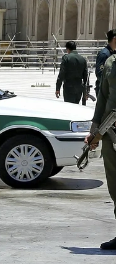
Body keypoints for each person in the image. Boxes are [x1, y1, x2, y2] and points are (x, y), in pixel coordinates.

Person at [86, 52, 116, 250]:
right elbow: (103, 97)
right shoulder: (111, 63)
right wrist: (95, 130)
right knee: (115, 185)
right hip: (111, 131)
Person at [95, 29, 116, 95]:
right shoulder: (104, 54)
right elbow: (99, 74)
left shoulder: (113, 53)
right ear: (114, 39)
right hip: (105, 92)